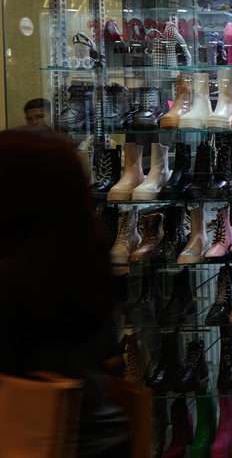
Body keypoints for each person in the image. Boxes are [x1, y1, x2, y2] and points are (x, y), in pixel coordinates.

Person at [0, 127, 129, 457]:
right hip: (97, 429)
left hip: (31, 434)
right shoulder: (89, 258)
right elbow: (110, 355)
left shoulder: (12, 275)